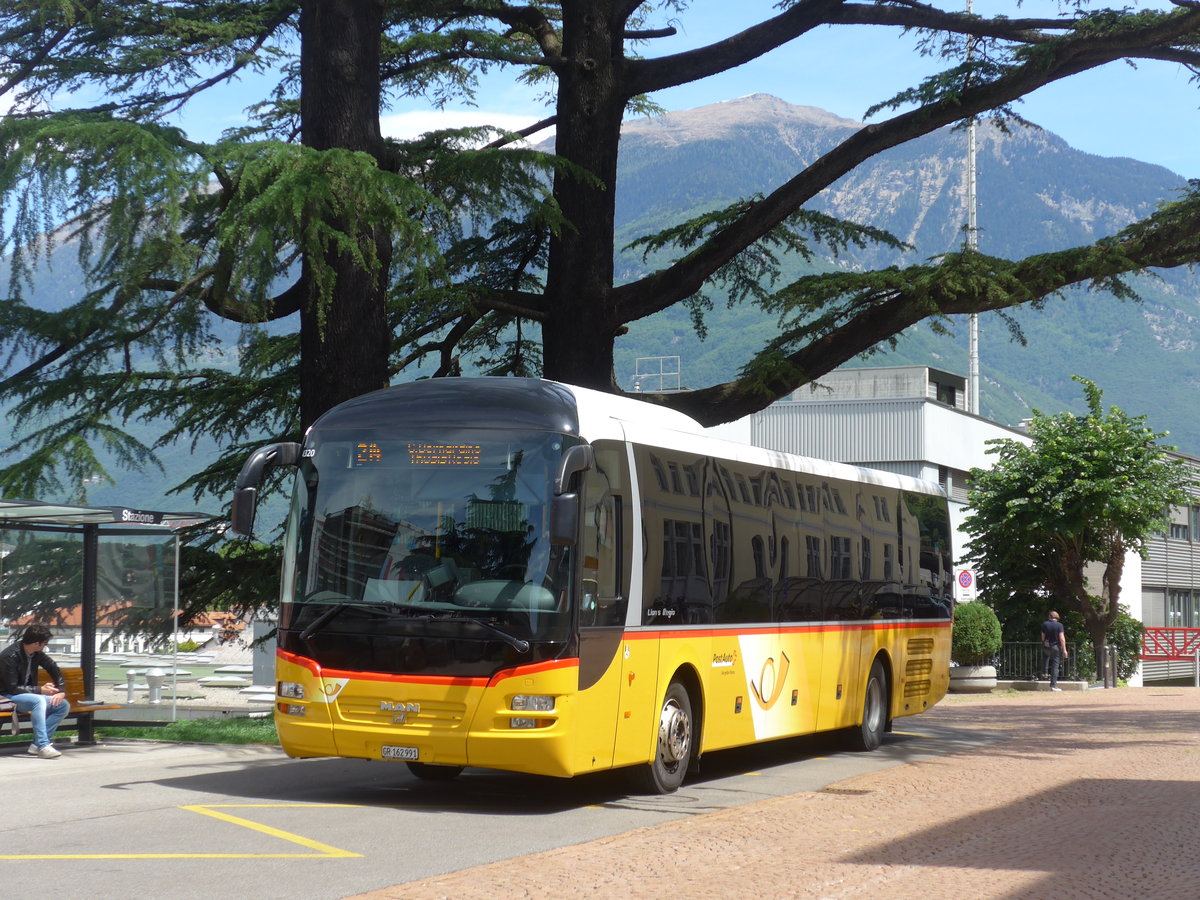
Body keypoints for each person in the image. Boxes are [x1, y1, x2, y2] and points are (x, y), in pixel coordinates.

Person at [0, 625, 70, 758]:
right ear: (36, 643)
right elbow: (12, 688)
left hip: (26, 695)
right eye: (45, 643)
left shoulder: (36, 653)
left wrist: (61, 690)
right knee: (38, 700)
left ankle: (36, 745)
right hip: (7, 697)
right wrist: (40, 690)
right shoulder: (9, 656)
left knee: (62, 705)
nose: (45, 646)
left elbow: (52, 667)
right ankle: (43, 745)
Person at [1041, 610, 1069, 692]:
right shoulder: (1059, 625)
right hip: (1056, 647)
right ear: (1056, 617)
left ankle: (1045, 672)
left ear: (1050, 616)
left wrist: (1044, 643)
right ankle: (1053, 685)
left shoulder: (1045, 624)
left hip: (1047, 645)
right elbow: (1062, 638)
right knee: (1055, 666)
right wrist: (1064, 650)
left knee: (1045, 656)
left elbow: (1043, 636)